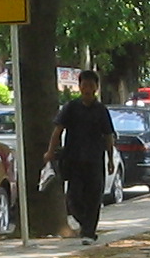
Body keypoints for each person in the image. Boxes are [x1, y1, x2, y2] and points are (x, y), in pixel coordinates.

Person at [47, 69, 119, 243]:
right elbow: (58, 130)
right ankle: (86, 224)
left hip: (95, 160)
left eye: (91, 85)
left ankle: (88, 232)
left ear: (96, 87)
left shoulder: (101, 110)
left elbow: (108, 135)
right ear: (79, 87)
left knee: (94, 197)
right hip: (73, 159)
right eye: (84, 85)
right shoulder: (71, 107)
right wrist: (50, 151)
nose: (87, 89)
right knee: (73, 198)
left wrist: (110, 159)